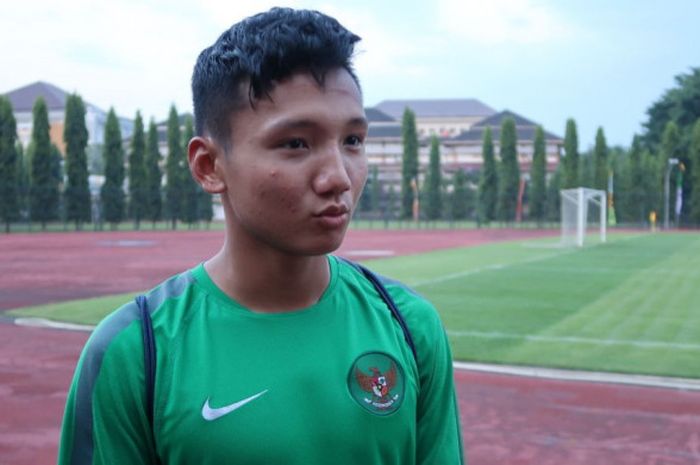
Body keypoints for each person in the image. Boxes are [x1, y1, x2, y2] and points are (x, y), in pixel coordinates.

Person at [58, 8, 464, 465]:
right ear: (208, 166)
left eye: (352, 140)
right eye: (295, 143)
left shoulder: (410, 326)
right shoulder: (135, 352)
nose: (338, 177)